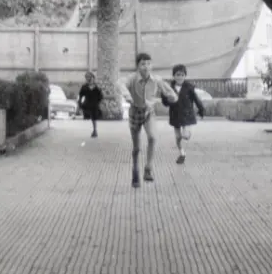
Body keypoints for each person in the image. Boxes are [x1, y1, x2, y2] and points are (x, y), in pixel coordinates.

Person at [118, 52, 178, 188]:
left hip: (148, 113)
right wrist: (127, 95)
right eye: (143, 64)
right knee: (136, 147)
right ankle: (135, 170)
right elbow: (120, 83)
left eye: (149, 63)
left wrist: (172, 97)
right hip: (134, 113)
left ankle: (148, 169)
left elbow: (169, 92)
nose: (146, 67)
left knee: (153, 137)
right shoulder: (132, 78)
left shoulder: (156, 79)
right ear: (138, 66)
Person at [162, 64, 205, 164]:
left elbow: (196, 99)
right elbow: (165, 102)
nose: (180, 77)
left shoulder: (189, 88)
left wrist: (201, 109)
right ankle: (182, 153)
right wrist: (168, 100)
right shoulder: (169, 88)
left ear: (185, 76)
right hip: (175, 115)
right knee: (178, 138)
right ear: (174, 76)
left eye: (182, 75)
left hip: (187, 115)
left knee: (185, 135)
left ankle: (188, 133)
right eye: (177, 74)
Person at [77, 71, 104, 138]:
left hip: (94, 104)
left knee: (94, 117)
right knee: (90, 116)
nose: (87, 78)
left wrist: (99, 103)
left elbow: (101, 96)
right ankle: (94, 130)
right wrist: (79, 105)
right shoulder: (84, 87)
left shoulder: (97, 86)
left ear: (92, 77)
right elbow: (80, 96)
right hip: (87, 104)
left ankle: (95, 131)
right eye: (86, 77)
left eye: (89, 77)